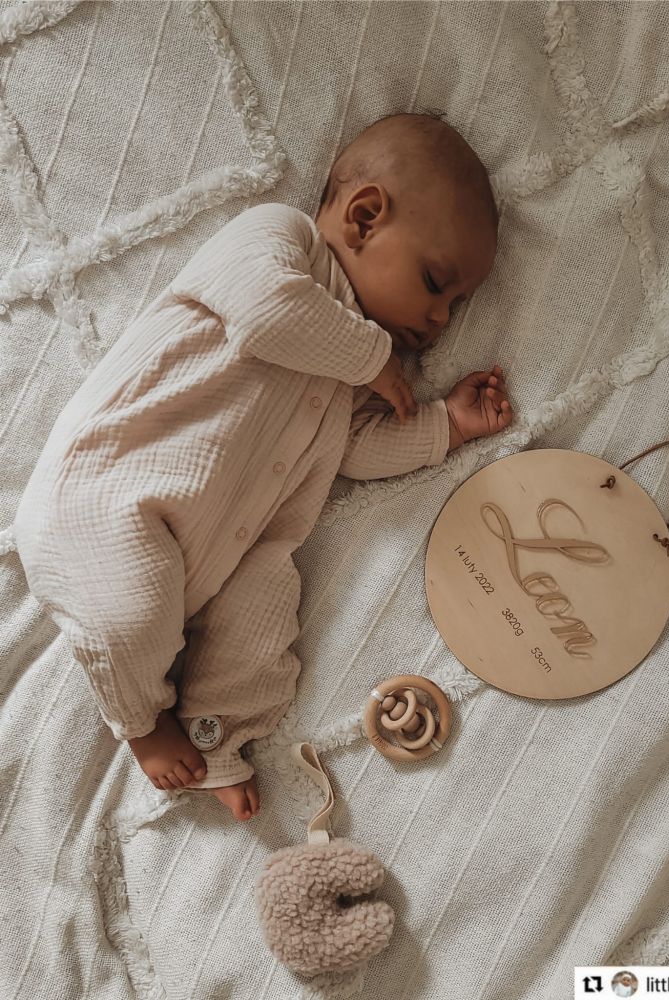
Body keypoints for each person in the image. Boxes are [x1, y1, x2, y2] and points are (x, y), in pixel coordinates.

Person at [13, 113, 513, 821]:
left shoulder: (357, 371)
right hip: (109, 494)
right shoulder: (280, 240)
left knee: (266, 621)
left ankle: (213, 736)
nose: (439, 320)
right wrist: (371, 359)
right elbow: (266, 312)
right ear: (363, 218)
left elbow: (352, 450)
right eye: (434, 283)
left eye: (455, 306)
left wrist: (446, 426)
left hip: (228, 554)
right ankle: (142, 721)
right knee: (130, 615)